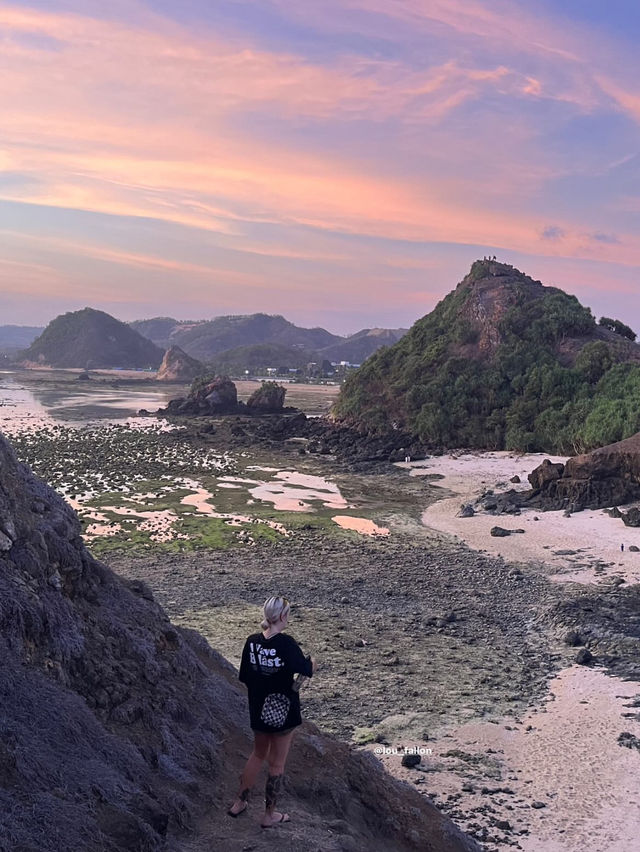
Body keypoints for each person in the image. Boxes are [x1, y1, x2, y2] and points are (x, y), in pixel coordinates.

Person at [227, 595, 316, 828]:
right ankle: (269, 815)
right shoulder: (286, 644)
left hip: (258, 709)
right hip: (283, 712)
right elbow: (306, 668)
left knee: (257, 754)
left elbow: (244, 676)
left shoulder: (252, 642)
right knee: (277, 764)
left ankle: (239, 802)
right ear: (283, 616)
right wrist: (313, 664)